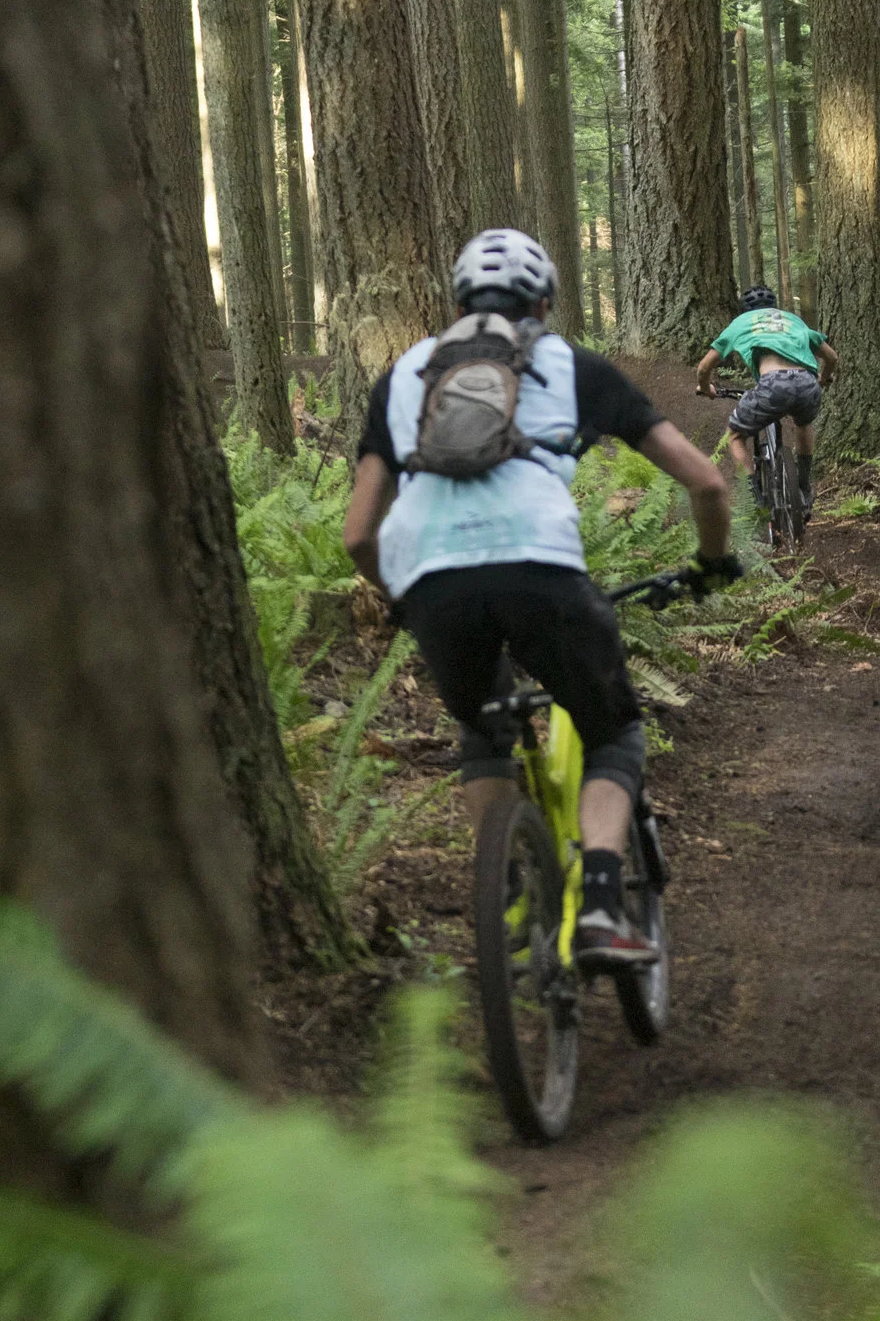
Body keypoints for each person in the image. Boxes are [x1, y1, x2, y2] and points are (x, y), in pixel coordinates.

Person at [343, 229, 740, 970]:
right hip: (540, 571)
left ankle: (508, 897)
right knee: (612, 731)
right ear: (545, 304)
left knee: (482, 730)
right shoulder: (573, 366)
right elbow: (708, 481)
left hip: (432, 580)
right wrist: (713, 563)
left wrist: (405, 600)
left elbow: (359, 535)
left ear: (456, 304)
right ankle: (599, 906)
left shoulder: (402, 377)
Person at [693, 286, 840, 506]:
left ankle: (753, 499)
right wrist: (822, 379)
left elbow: (704, 367)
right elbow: (832, 358)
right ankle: (803, 486)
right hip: (807, 382)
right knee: (804, 423)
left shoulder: (740, 323)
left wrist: (706, 388)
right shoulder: (793, 320)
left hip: (772, 385)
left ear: (745, 309)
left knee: (735, 435)